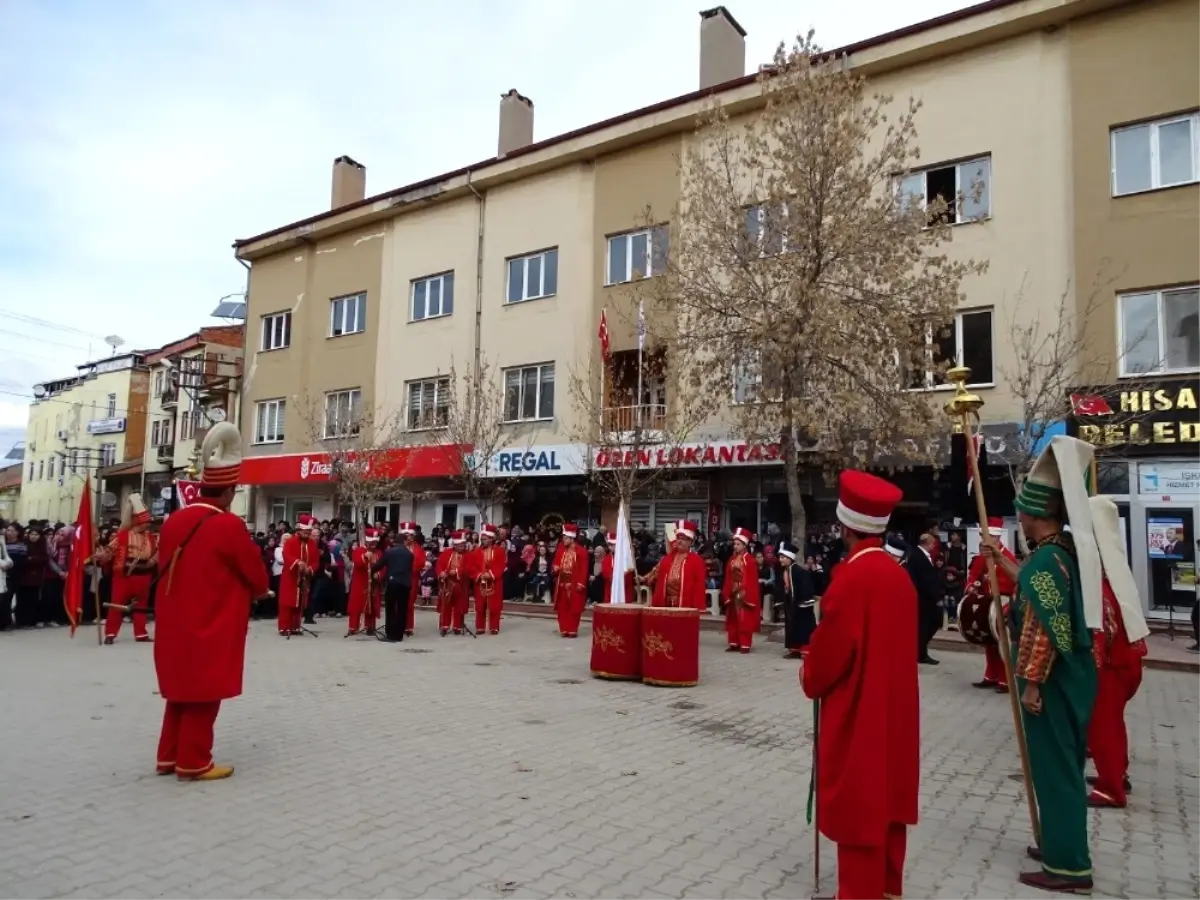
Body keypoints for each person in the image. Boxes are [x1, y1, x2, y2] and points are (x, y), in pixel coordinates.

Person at [981, 435, 1100, 894]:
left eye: (1024, 515)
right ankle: (1056, 841)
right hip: (1068, 679)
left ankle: (1069, 866)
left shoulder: (1048, 562)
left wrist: (1030, 683)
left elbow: (1045, 629)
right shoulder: (1056, 554)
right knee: (1058, 766)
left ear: (1035, 516)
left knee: (1056, 772)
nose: (1021, 520)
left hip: (1051, 684)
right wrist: (1004, 563)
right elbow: (1032, 589)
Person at [800, 470, 919, 900]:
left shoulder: (850, 578)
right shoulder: (897, 575)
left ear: (846, 526)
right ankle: (888, 887)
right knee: (888, 797)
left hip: (860, 708)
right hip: (896, 708)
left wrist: (809, 675)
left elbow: (828, 659)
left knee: (861, 801)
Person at [153, 422, 268, 781]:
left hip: (174, 620)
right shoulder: (227, 525)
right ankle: (194, 761)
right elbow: (255, 574)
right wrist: (261, 591)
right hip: (211, 619)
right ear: (230, 490)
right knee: (204, 692)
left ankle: (168, 756)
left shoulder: (173, 521)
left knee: (180, 691)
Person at [1086, 495, 1149, 809]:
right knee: (1113, 723)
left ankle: (1110, 788)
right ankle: (1117, 772)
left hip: (1111, 666)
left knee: (1103, 727)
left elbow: (1102, 632)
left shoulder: (1101, 583)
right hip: (1128, 661)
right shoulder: (1118, 571)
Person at [966, 517, 1017, 692]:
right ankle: (991, 675)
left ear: (996, 539)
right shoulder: (982, 557)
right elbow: (973, 575)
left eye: (986, 537)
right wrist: (972, 586)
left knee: (1003, 642)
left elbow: (1014, 582)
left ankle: (1005, 680)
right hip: (987, 603)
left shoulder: (1007, 557)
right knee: (989, 642)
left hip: (1002, 603)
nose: (983, 540)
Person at [104, 493, 156, 644]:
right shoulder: (123, 535)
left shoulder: (151, 537)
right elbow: (109, 550)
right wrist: (101, 556)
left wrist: (152, 561)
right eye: (145, 521)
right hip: (125, 574)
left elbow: (157, 551)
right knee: (117, 605)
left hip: (144, 574)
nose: (148, 524)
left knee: (141, 605)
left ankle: (141, 634)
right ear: (137, 521)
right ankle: (110, 633)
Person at [645, 520, 708, 610]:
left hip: (686, 606)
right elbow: (656, 577)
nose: (680, 541)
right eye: (678, 538)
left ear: (690, 542)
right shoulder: (666, 559)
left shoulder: (697, 561)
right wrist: (646, 579)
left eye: (683, 539)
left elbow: (699, 587)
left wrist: (697, 608)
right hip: (666, 606)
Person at [722, 527, 761, 653]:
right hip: (733, 590)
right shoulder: (731, 560)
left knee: (744, 618)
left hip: (743, 591)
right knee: (732, 617)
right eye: (735, 543)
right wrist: (727, 591)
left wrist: (744, 591)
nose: (736, 546)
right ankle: (733, 642)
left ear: (745, 545)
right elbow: (728, 576)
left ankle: (745, 644)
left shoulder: (749, 560)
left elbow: (751, 579)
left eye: (738, 544)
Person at [906, 532, 942, 665]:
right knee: (926, 625)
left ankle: (920, 650)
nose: (933, 546)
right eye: (932, 543)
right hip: (924, 598)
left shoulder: (923, 555)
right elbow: (923, 579)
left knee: (929, 624)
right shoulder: (917, 556)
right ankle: (921, 652)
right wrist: (935, 596)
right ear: (927, 543)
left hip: (927, 597)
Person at [278, 515, 318, 636]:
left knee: (300, 602)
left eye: (309, 532)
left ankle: (295, 626)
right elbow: (286, 555)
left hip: (304, 577)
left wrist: (310, 569)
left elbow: (316, 561)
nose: (307, 534)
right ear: (299, 531)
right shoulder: (290, 542)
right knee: (287, 602)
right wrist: (297, 562)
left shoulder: (312, 543)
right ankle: (284, 627)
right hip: (290, 576)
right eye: (305, 532)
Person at [373, 534, 414, 642]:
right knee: (402, 609)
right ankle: (399, 634)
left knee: (390, 608)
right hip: (405, 583)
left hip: (393, 582)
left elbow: (380, 565)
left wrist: (371, 569)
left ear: (394, 542)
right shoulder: (409, 554)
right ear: (404, 541)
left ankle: (391, 634)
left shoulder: (389, 552)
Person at [778, 540, 815, 659]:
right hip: (791, 605)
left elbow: (806, 589)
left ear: (790, 558)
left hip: (801, 605)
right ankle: (794, 649)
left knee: (803, 627)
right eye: (780, 557)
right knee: (792, 627)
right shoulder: (785, 571)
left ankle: (805, 650)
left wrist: (801, 602)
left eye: (783, 557)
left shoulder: (800, 572)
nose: (780, 560)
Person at [468, 523, 506, 635]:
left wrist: (491, 574)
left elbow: (501, 565)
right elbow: (471, 567)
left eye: (484, 539)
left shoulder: (499, 551)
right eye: (482, 539)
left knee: (495, 606)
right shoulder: (476, 552)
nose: (482, 541)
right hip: (480, 582)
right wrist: (479, 575)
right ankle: (480, 627)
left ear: (491, 539)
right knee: (480, 606)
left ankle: (494, 627)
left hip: (495, 582)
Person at [552, 523, 588, 637]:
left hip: (574, 582)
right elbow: (555, 562)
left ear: (571, 538)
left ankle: (572, 629)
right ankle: (564, 629)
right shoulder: (560, 549)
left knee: (574, 607)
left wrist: (581, 583)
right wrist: (555, 568)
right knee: (562, 608)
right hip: (562, 582)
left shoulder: (581, 551)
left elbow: (584, 569)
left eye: (565, 537)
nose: (563, 539)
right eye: (563, 537)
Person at [345, 528, 383, 636]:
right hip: (360, 582)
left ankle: (370, 626)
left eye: (375, 542)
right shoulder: (359, 550)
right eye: (372, 542)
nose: (373, 544)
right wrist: (365, 557)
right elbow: (357, 563)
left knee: (372, 605)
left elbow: (383, 567)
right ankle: (353, 627)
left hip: (374, 583)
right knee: (356, 605)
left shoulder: (379, 553)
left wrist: (379, 574)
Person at [435, 531, 469, 635]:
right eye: (460, 545)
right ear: (454, 545)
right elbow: (439, 565)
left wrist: (457, 572)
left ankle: (457, 626)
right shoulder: (447, 553)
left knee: (459, 605)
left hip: (461, 583)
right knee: (447, 604)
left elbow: (469, 568)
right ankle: (445, 626)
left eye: (464, 545)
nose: (463, 547)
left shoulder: (468, 555)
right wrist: (441, 572)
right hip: (448, 583)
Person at [399, 522, 426, 636]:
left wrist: (408, 568)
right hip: (399, 578)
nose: (407, 537)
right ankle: (399, 625)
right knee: (398, 603)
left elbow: (420, 563)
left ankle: (409, 627)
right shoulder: (398, 547)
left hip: (412, 579)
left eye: (409, 535)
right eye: (405, 535)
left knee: (409, 603)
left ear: (413, 536)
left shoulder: (418, 549)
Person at [601, 531, 635, 603]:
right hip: (610, 590)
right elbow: (605, 574)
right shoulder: (607, 559)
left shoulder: (625, 558)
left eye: (613, 545)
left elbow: (628, 574)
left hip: (624, 591)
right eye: (609, 545)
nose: (611, 547)